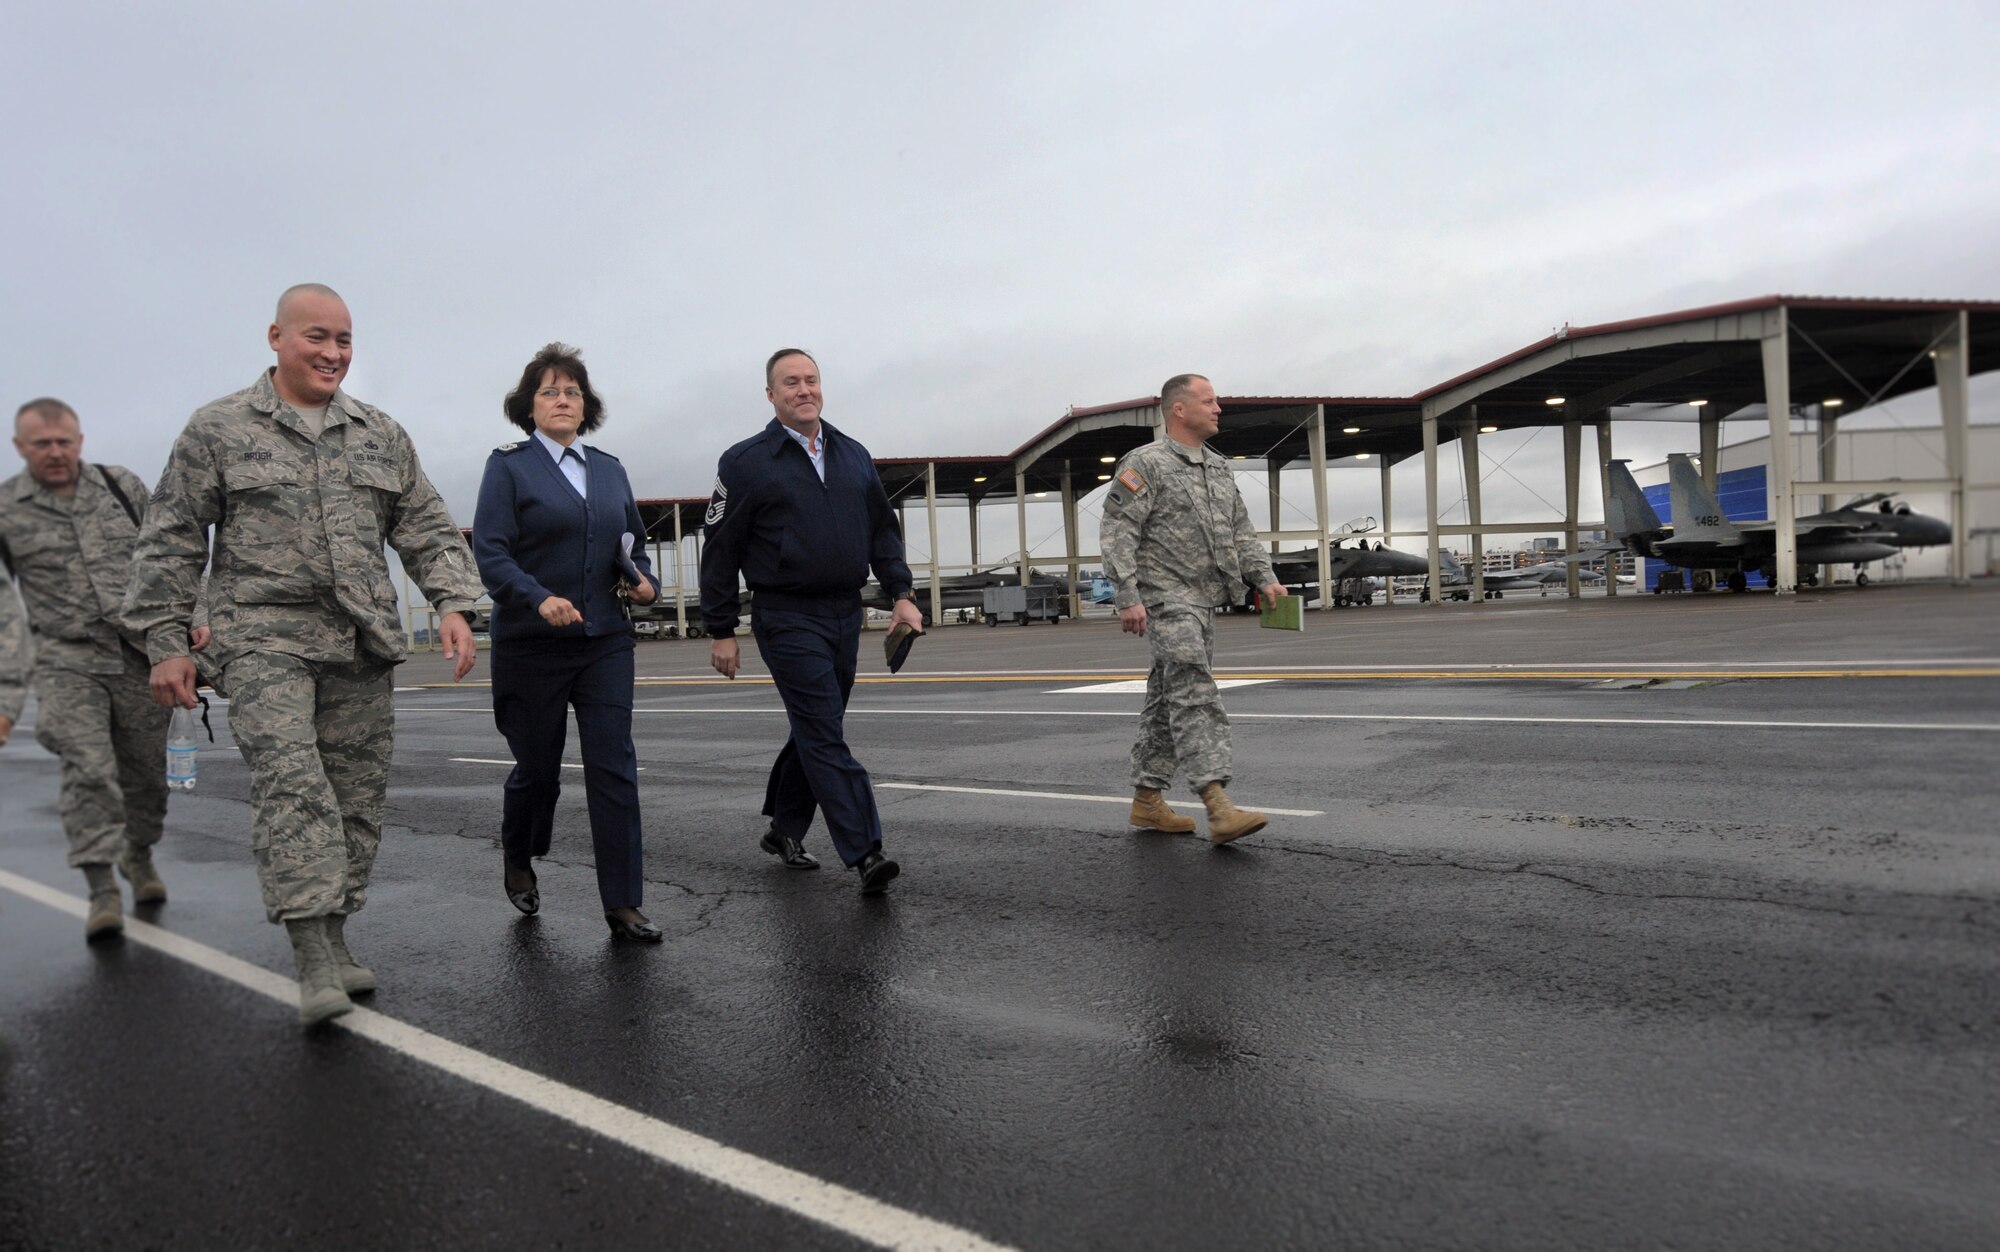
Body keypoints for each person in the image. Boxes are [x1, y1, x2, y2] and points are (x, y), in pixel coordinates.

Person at [123, 284, 485, 1027]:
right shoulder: (218, 428)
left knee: (356, 798)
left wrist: (452, 601)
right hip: (261, 641)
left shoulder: (379, 432)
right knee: (296, 791)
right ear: (276, 337)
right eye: (317, 337)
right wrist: (165, 643)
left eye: (345, 341)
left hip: (360, 642)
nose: (333, 354)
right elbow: (172, 537)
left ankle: (336, 929)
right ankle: (313, 955)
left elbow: (425, 522)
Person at [699, 348, 922, 894]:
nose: (804, 390)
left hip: (845, 612)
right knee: (823, 729)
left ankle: (784, 828)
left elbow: (881, 531)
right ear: (770, 395)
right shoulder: (745, 461)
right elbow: (720, 548)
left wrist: (902, 593)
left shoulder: (853, 454)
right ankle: (866, 852)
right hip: (785, 615)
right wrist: (721, 628)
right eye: (790, 383)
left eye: (812, 380)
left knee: (818, 727)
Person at [471, 343, 662, 942]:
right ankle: (520, 852)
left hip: (605, 640)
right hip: (531, 644)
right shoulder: (508, 466)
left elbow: (633, 542)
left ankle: (624, 904)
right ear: (529, 406)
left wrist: (647, 582)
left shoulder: (610, 469)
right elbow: (491, 551)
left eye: (572, 391)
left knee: (614, 769)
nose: (562, 399)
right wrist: (536, 596)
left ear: (587, 406)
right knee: (537, 770)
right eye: (550, 390)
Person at [1, 399, 183, 941]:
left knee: (147, 778)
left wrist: (187, 632)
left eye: (64, 441)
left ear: (80, 440)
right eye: (42, 444)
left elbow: (169, 559)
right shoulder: (7, 511)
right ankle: (101, 886)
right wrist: (7, 697)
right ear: (20, 447)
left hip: (135, 656)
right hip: (65, 660)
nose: (56, 453)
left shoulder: (121, 486)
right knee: (88, 771)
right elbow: (4, 614)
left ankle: (138, 853)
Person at [1099, 374, 1287, 845]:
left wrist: (1263, 577)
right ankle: (1217, 802)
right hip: (1167, 599)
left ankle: (1147, 800)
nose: (1218, 408)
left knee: (1168, 699)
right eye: (1208, 401)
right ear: (1178, 410)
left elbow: (1240, 530)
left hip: (1206, 599)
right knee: (1195, 691)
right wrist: (1128, 595)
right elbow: (1118, 528)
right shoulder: (1146, 463)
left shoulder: (1218, 468)